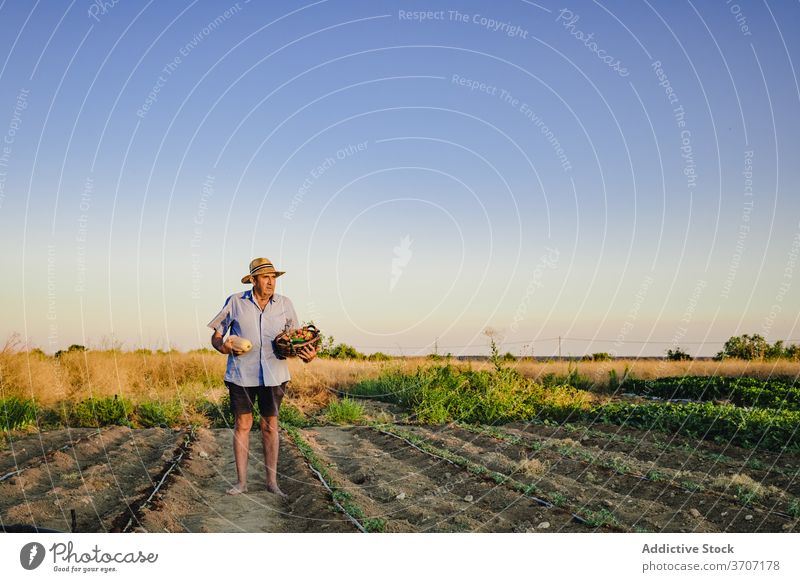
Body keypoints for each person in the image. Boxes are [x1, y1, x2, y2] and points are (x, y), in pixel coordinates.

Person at [207, 257, 317, 496]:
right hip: (240, 374)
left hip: (274, 375)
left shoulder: (285, 304)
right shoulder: (235, 302)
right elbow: (217, 334)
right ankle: (241, 483)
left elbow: (296, 339)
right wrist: (223, 346)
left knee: (270, 426)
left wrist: (307, 354)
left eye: (273, 278)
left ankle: (272, 483)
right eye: (266, 277)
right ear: (253, 280)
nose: (271, 282)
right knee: (242, 425)